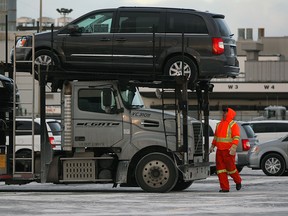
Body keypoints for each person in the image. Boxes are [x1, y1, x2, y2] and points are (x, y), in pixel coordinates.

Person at [209, 107, 242, 192]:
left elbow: (236, 137)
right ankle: (225, 188)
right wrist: (212, 146)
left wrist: (233, 147)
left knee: (231, 169)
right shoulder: (219, 124)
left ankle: (238, 181)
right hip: (219, 150)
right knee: (220, 170)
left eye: (225, 112)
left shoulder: (233, 125)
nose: (224, 114)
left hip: (228, 151)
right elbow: (216, 137)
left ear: (229, 114)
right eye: (223, 112)